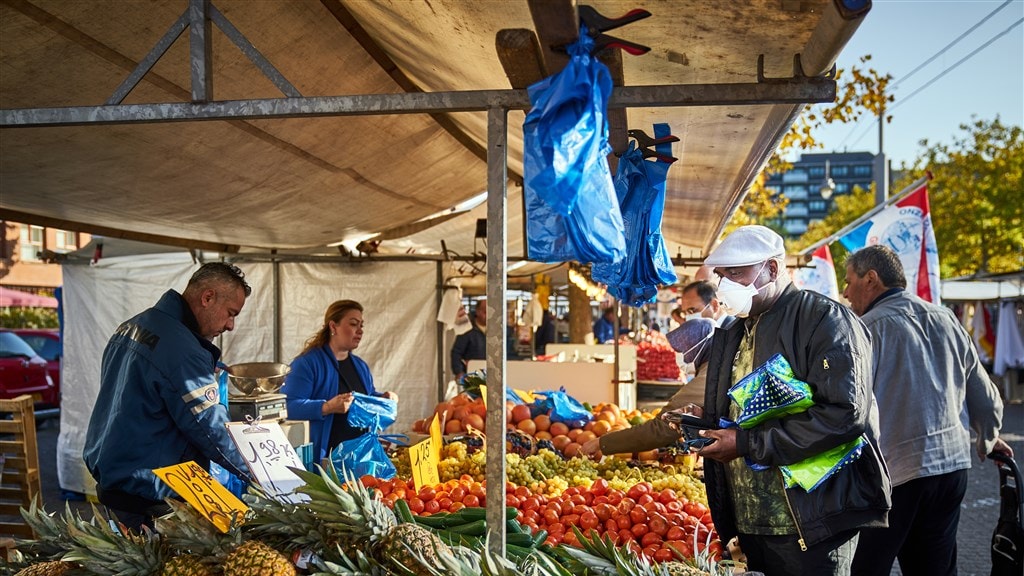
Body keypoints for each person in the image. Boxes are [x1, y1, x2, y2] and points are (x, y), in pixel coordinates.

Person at [695, 225, 890, 576]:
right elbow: (745, 406)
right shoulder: (735, 330)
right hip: (751, 520)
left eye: (736, 273)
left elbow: (845, 414)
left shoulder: (825, 320)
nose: (725, 285)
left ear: (771, 269)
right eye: (721, 276)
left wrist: (745, 443)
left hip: (810, 523)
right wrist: (707, 418)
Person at [843, 245, 1013, 576]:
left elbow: (850, 408)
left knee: (864, 567)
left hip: (895, 475)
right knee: (934, 568)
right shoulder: (946, 318)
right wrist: (988, 438)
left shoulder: (864, 330)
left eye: (849, 281)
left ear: (871, 279)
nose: (846, 292)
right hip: (950, 469)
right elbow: (985, 396)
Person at [83, 262, 255, 531]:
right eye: (231, 313)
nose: (231, 325)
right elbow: (212, 431)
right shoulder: (182, 350)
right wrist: (261, 473)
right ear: (208, 297)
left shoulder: (130, 326)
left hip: (116, 480)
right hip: (149, 496)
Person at [282, 300, 399, 464]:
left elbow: (366, 398)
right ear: (333, 326)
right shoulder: (307, 364)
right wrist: (327, 407)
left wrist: (383, 398)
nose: (360, 331)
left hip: (358, 458)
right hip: (324, 460)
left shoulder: (360, 366)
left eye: (361, 325)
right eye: (353, 324)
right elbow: (287, 406)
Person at [580, 318, 715, 458]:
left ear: (698, 347)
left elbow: (661, 428)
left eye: (681, 349)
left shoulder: (708, 378)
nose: (678, 356)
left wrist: (601, 443)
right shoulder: (713, 369)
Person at [450, 298, 486, 380]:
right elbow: (456, 352)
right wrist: (459, 372)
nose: (488, 316)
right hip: (472, 375)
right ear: (477, 311)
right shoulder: (466, 329)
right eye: (485, 312)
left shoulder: (499, 332)